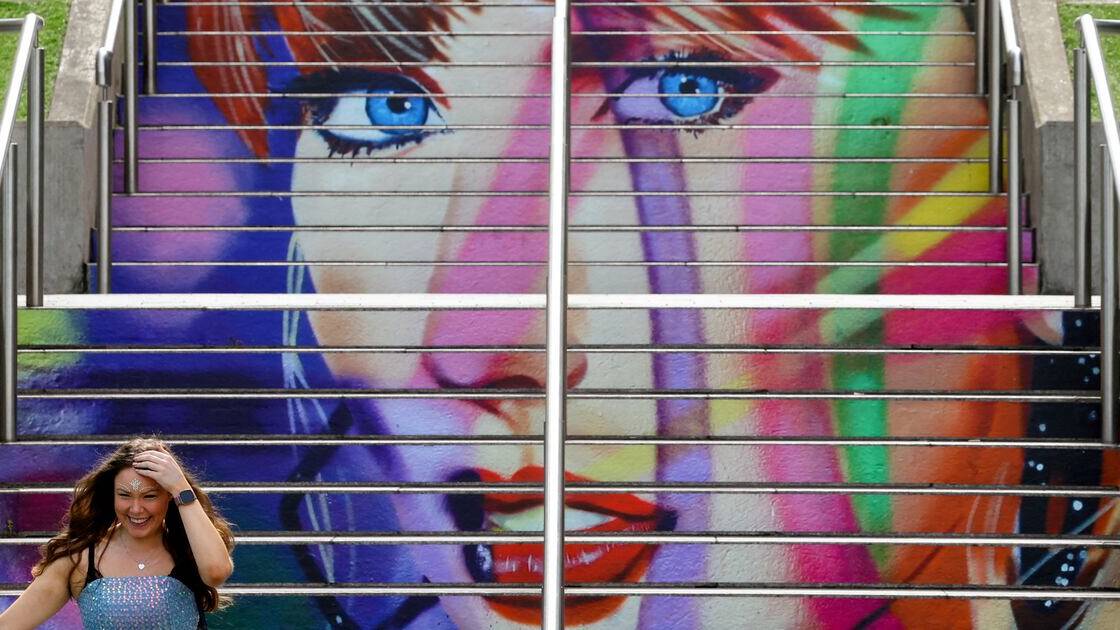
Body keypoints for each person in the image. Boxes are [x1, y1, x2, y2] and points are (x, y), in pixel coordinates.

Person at [0, 438, 234, 629]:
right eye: (124, 495)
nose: (136, 509)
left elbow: (217, 572)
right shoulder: (80, 558)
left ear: (168, 497)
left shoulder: (189, 548)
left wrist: (180, 486)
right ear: (110, 495)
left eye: (149, 496)